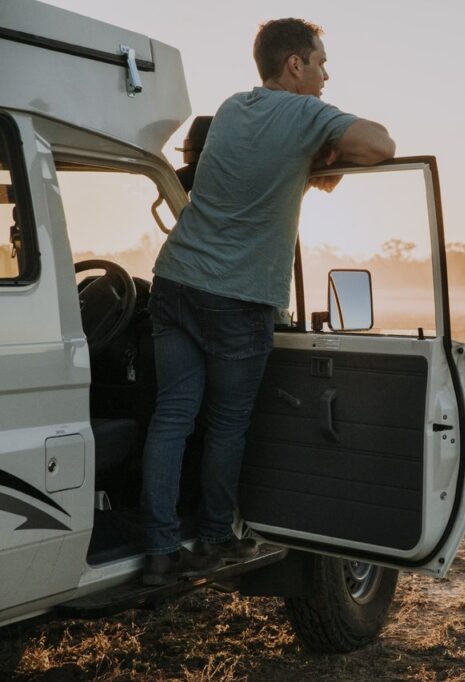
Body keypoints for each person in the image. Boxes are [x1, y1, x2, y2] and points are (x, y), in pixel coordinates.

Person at [140, 18, 396, 585]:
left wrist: (308, 166)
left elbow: (259, 173)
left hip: (176, 280)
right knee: (228, 424)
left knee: (172, 417)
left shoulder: (232, 108)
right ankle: (212, 541)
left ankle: (159, 551)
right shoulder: (306, 114)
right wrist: (327, 150)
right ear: (295, 65)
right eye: (321, 62)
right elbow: (382, 144)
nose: (327, 74)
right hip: (237, 298)